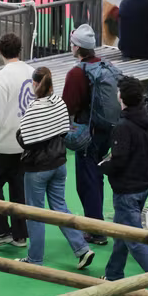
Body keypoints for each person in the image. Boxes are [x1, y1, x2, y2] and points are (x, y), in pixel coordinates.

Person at [16, 65, 95, 268]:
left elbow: (25, 139)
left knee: (35, 214)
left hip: (38, 168)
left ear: (35, 84)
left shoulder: (34, 108)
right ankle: (82, 249)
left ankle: (35, 259)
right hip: (59, 163)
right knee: (60, 208)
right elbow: (63, 131)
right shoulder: (60, 102)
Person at [100, 75, 148, 291]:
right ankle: (113, 273)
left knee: (133, 239)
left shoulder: (123, 126)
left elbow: (119, 160)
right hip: (143, 184)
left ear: (121, 96)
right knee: (123, 231)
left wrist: (104, 167)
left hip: (126, 189)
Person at [0, 33, 34, 250]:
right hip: (26, 144)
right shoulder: (32, 72)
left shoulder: (2, 77)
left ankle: (0, 230)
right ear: (20, 49)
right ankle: (20, 235)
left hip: (2, 145)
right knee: (19, 189)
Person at [61, 24, 113, 245]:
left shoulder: (76, 73)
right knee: (96, 177)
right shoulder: (105, 65)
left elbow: (68, 105)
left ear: (77, 47)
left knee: (87, 181)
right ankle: (97, 223)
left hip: (87, 134)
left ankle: (95, 230)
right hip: (107, 130)